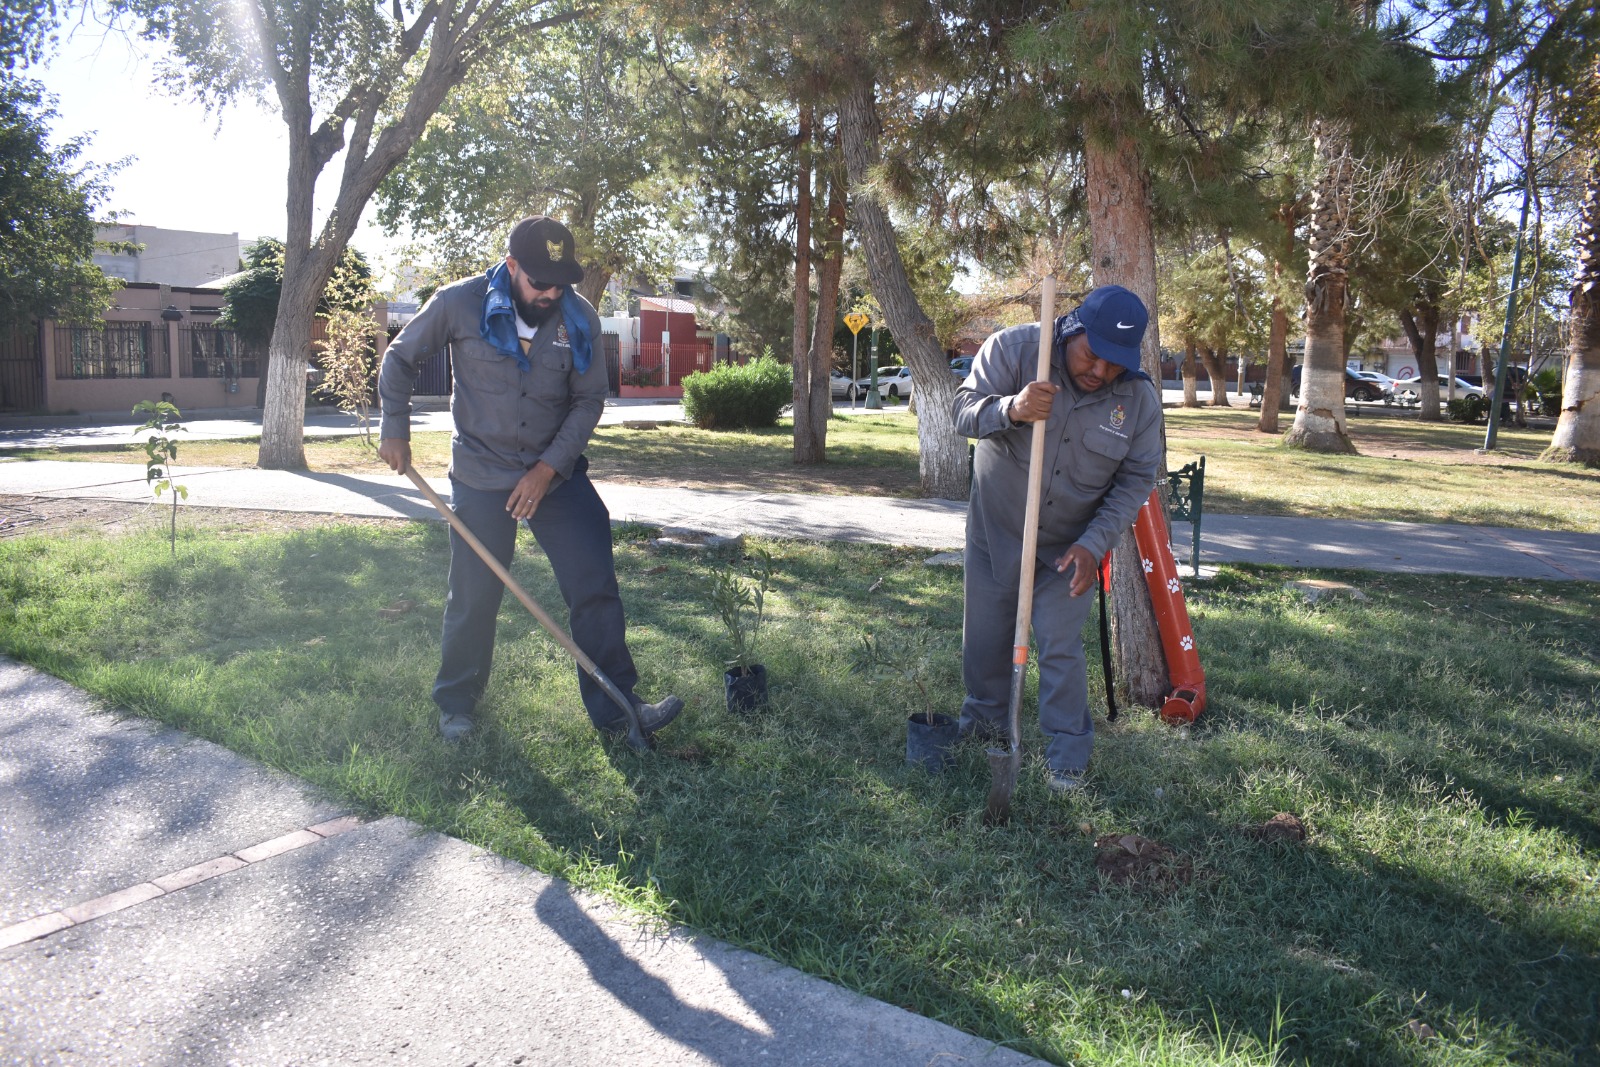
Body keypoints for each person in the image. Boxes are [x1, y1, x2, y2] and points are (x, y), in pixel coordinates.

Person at [377, 216, 681, 743]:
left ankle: (618, 709)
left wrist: (545, 470)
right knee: (473, 594)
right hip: (480, 473)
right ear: (511, 266)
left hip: (555, 475)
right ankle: (457, 705)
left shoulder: (579, 317)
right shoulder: (458, 303)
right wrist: (394, 427)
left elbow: (588, 400)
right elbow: (400, 358)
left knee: (594, 584)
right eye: (541, 282)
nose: (551, 293)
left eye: (561, 283)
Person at [951, 284, 1163, 792]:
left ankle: (1066, 759)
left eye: (1114, 363)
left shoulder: (1138, 399)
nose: (1100, 372)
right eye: (1092, 356)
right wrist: (1012, 409)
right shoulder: (1015, 349)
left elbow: (1136, 480)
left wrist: (1094, 544)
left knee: (1059, 645)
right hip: (997, 529)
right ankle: (984, 731)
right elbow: (961, 413)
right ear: (1073, 329)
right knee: (985, 641)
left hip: (1070, 546)